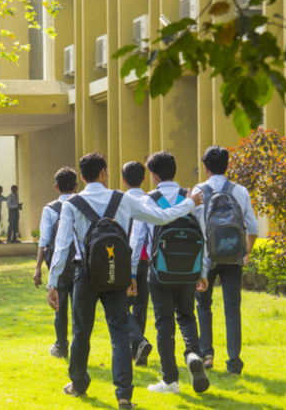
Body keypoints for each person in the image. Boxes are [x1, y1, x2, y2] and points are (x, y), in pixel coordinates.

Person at [47, 152, 203, 409]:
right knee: (119, 333)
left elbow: (62, 245)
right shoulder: (122, 199)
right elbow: (161, 217)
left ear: (82, 177)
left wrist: (53, 283)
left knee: (80, 331)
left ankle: (78, 384)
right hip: (116, 274)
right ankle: (123, 395)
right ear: (104, 173)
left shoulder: (72, 204)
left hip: (84, 274)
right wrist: (189, 204)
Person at [139, 152, 210, 394]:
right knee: (187, 316)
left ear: (154, 175)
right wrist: (203, 271)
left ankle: (170, 380)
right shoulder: (192, 196)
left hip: (159, 272)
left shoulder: (149, 200)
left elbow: (139, 239)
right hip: (189, 270)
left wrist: (129, 273)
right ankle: (192, 354)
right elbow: (203, 235)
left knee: (164, 324)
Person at [192, 146, 258, 376]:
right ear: (227, 165)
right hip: (232, 257)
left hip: (206, 259)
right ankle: (234, 362)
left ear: (206, 168)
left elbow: (193, 229)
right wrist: (245, 252)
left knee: (202, 305)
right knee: (232, 308)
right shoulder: (240, 191)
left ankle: (207, 354)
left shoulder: (198, 191)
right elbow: (254, 227)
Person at [34, 167, 78, 358]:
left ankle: (61, 345)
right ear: (77, 185)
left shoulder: (50, 209)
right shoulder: (81, 205)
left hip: (57, 264)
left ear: (56, 187)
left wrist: (37, 268)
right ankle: (79, 344)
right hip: (79, 263)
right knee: (79, 307)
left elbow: (44, 241)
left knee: (58, 305)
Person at [121, 161, 153, 366]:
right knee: (141, 306)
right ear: (143, 178)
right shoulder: (150, 200)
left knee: (121, 306)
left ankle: (137, 342)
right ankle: (137, 349)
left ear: (123, 180)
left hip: (125, 259)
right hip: (147, 260)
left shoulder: (119, 201)